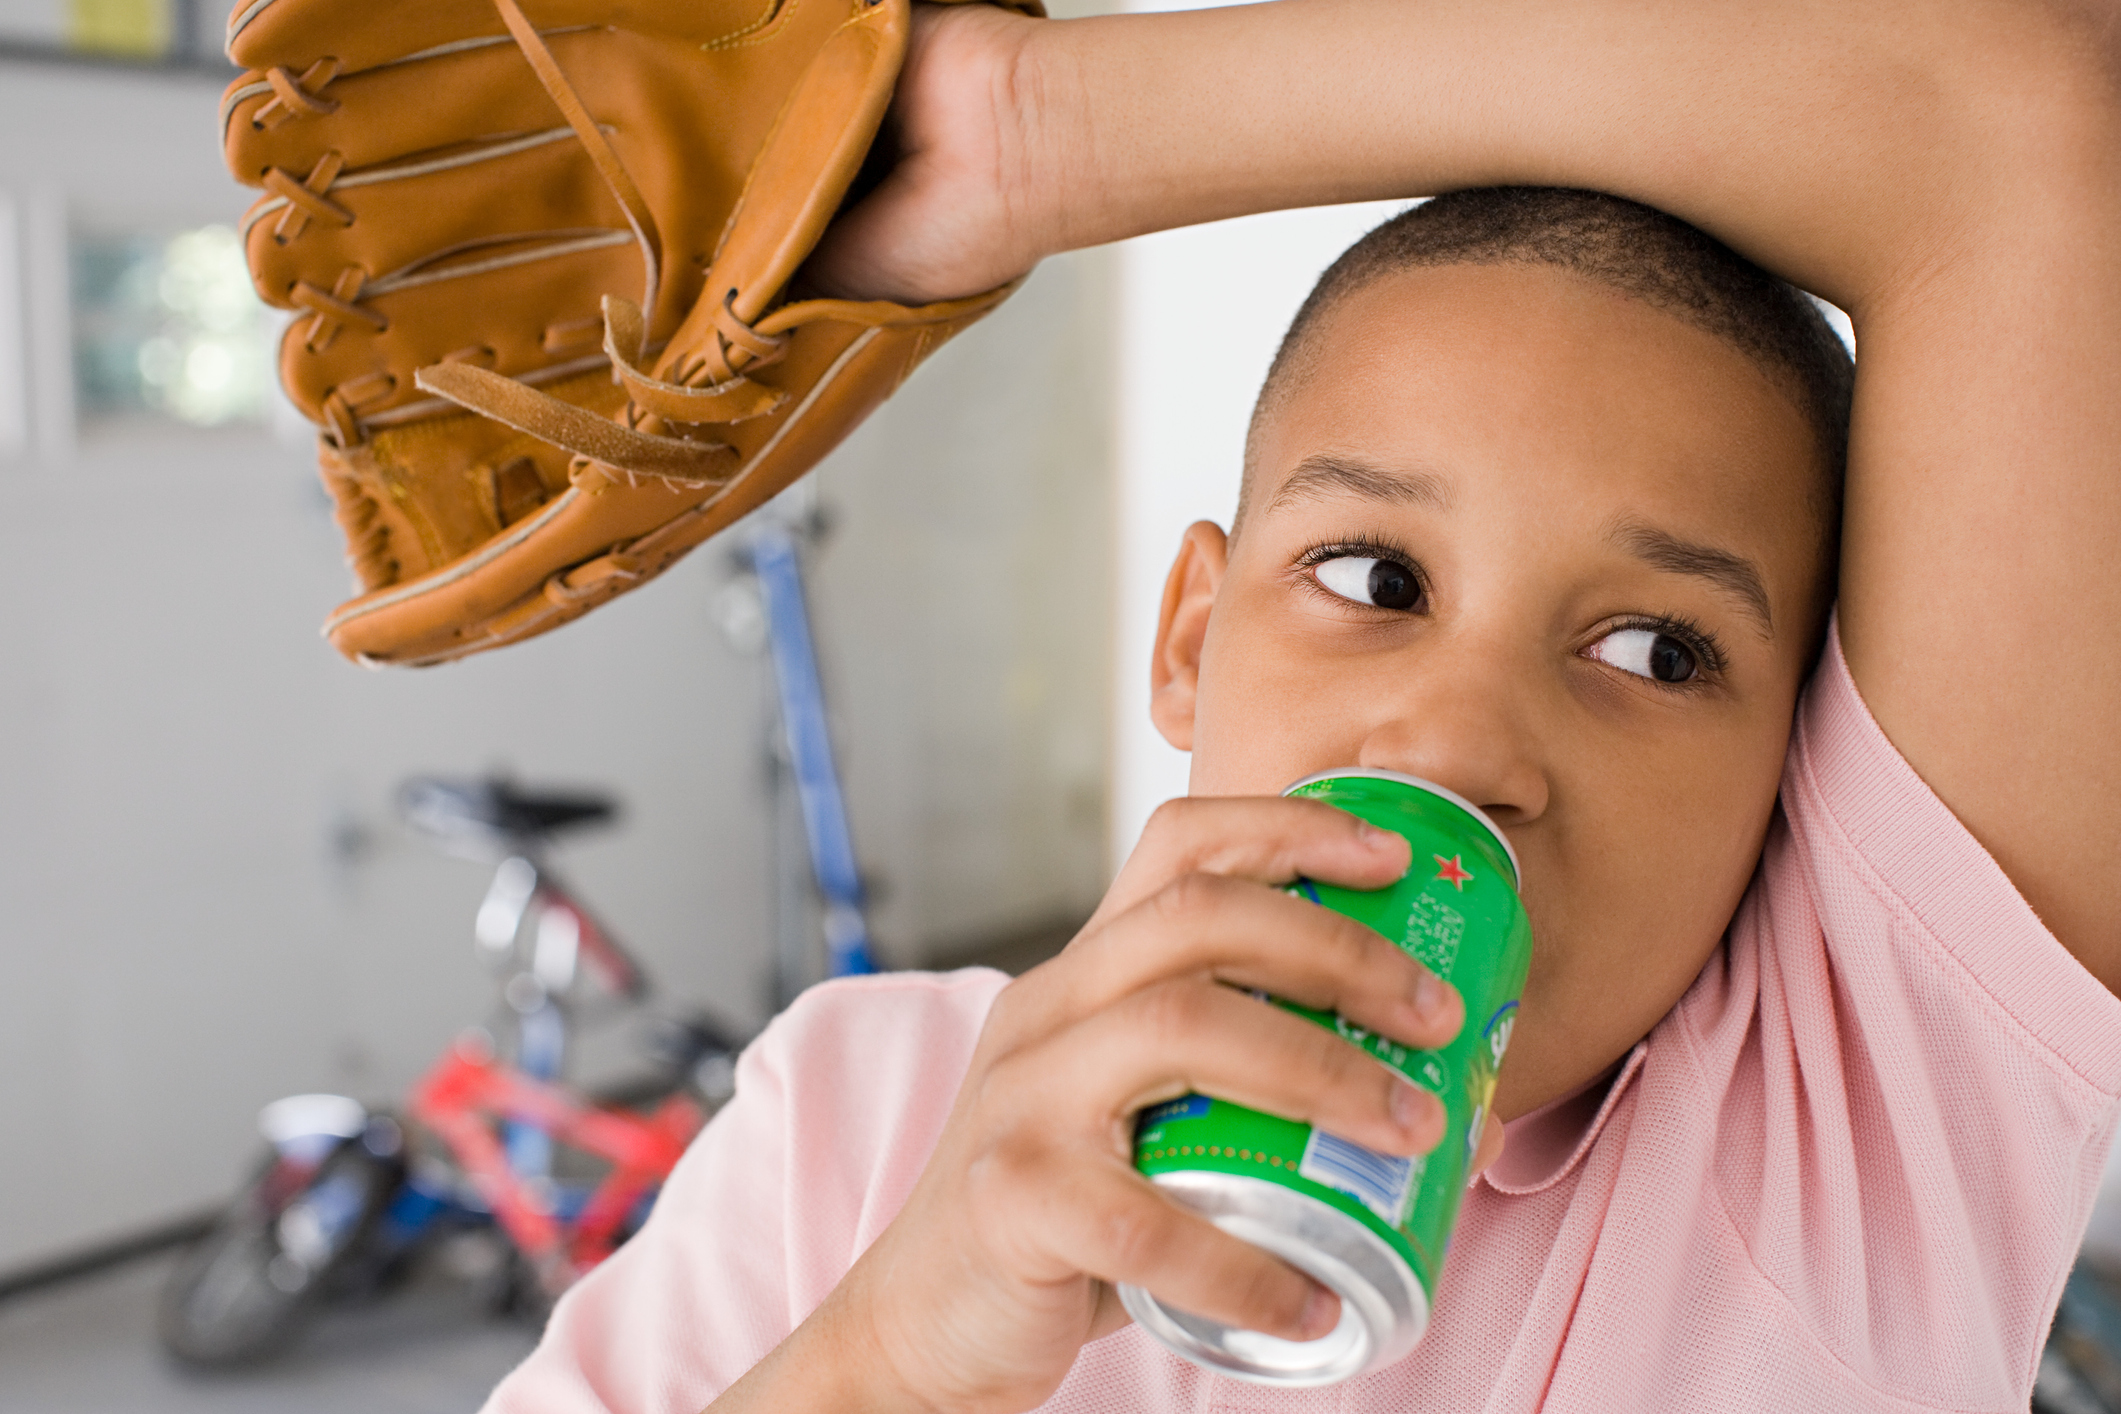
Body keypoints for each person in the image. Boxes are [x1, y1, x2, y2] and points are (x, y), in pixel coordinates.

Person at [485, 0, 2121, 1409]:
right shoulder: (855, 1126)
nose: (1462, 745)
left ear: (1803, 772)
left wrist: (1038, 139)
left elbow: (2017, 118)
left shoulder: (1864, 1123)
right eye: (1373, 580)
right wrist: (888, 1352)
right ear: (1192, 632)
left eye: (1655, 652)